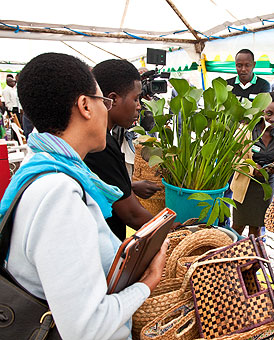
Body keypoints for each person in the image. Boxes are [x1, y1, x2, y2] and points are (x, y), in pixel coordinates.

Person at [1, 52, 167, 339]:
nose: (107, 109)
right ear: (85, 106)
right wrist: (147, 283)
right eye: (104, 101)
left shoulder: (40, 166)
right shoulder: (58, 194)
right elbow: (87, 328)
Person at [84, 59, 160, 241]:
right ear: (114, 99)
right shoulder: (100, 145)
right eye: (135, 98)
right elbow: (132, 215)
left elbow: (98, 184)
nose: (139, 106)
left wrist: (129, 187)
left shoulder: (102, 138)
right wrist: (173, 230)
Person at [231, 92, 274, 238]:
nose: (272, 119)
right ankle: (232, 255)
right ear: (262, 111)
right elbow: (233, 158)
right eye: (269, 113)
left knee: (256, 228)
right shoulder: (246, 130)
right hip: (246, 184)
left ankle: (253, 257)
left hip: (266, 185)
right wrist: (252, 169)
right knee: (237, 225)